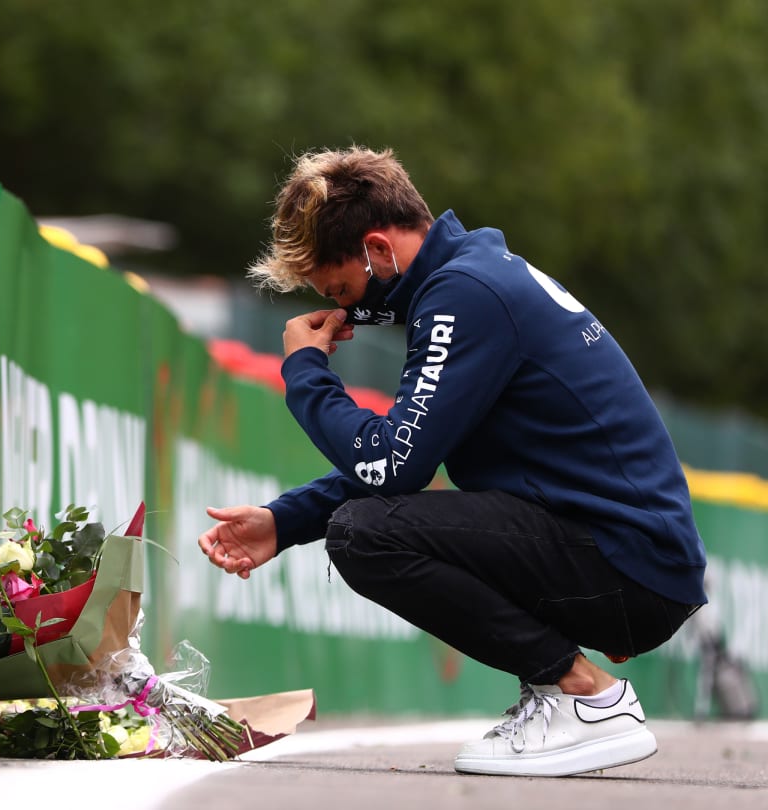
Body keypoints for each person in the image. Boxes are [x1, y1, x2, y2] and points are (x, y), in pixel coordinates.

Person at [198, 146, 706, 777]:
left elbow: (393, 465)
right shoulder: (473, 278)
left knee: (364, 535)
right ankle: (562, 692)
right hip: (628, 552)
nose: (346, 312)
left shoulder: (464, 295)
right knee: (366, 523)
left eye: (344, 291)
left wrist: (305, 371)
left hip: (628, 561)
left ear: (379, 251)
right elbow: (415, 451)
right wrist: (284, 521)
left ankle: (581, 694)